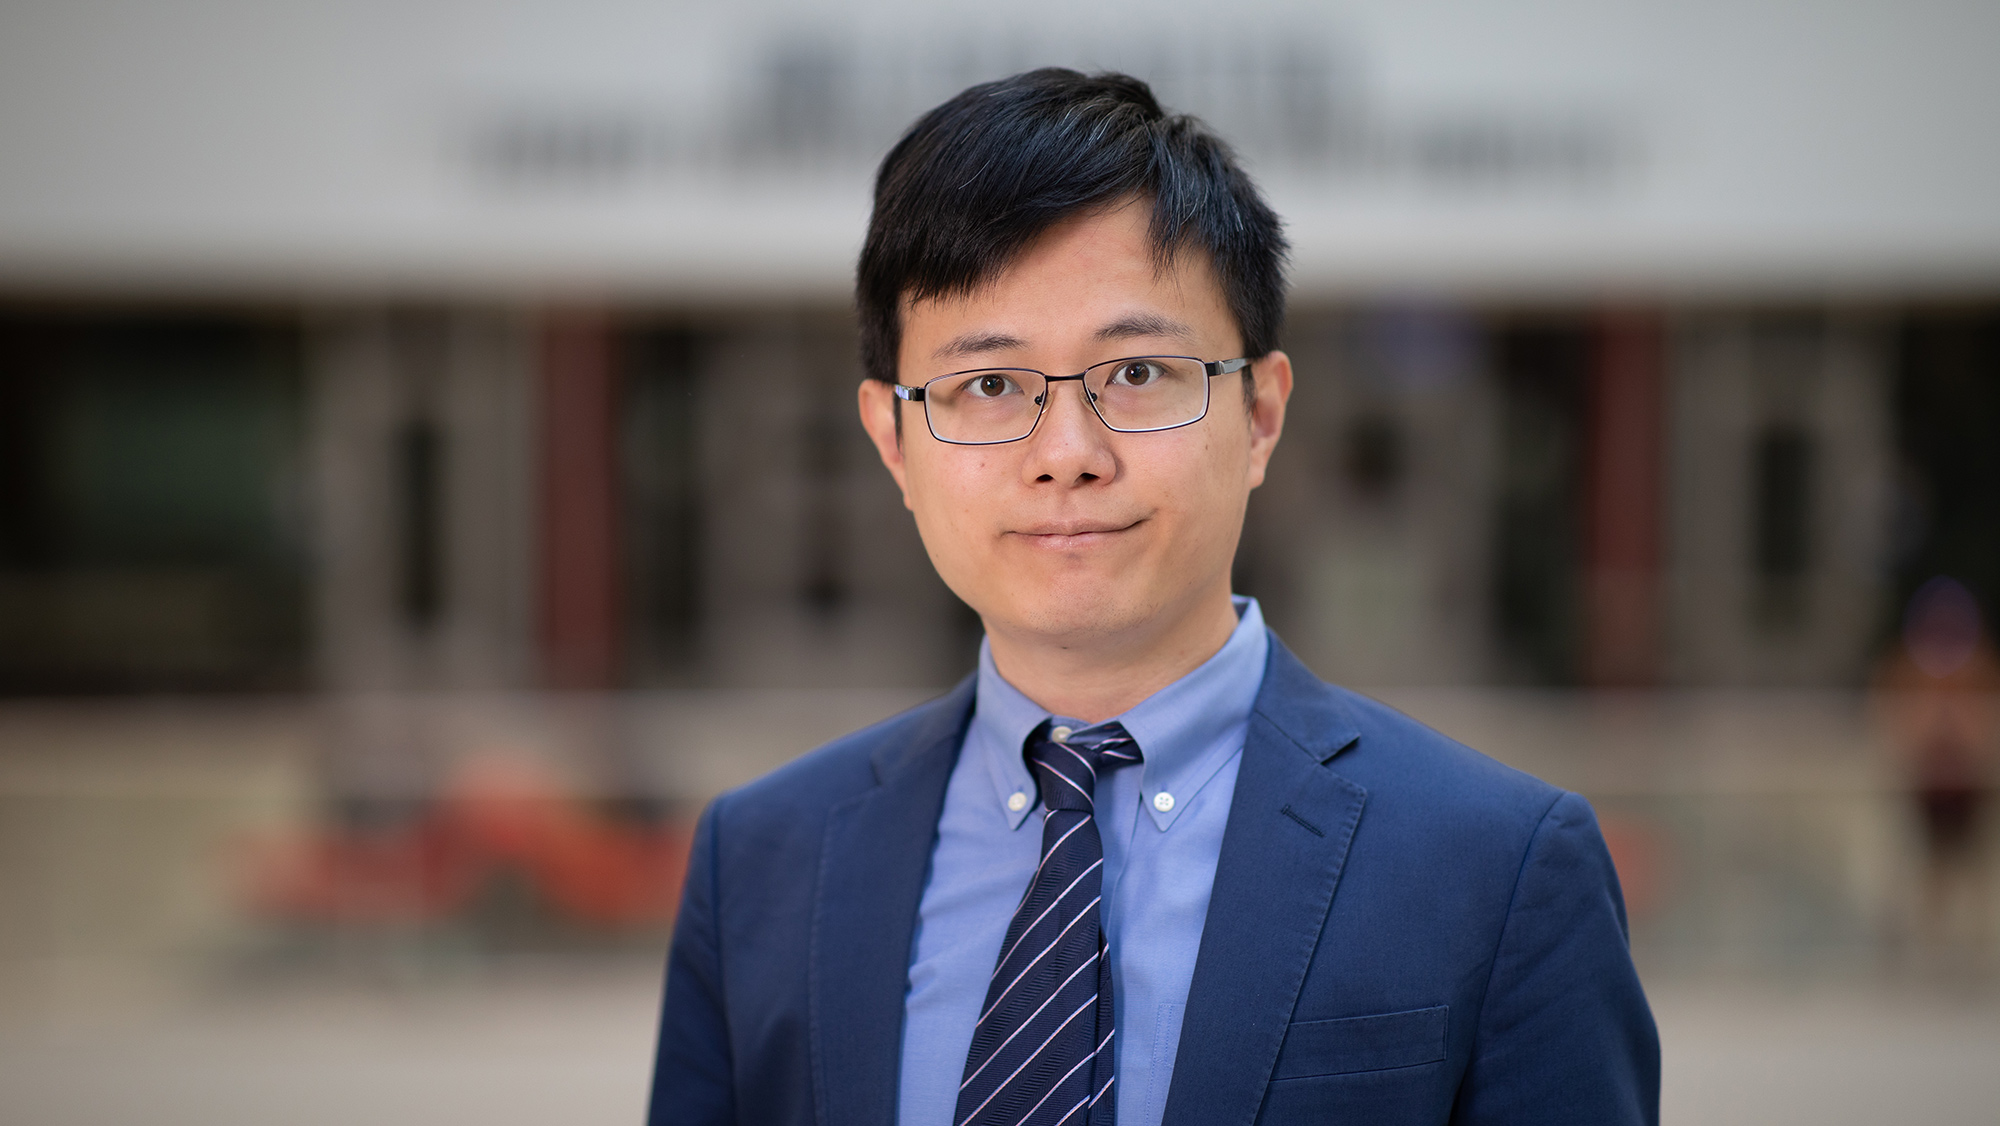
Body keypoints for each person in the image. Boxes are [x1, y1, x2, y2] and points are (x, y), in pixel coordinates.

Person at [648, 69, 1658, 1126]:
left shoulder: (1493, 869)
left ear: (1260, 414)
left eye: (1134, 374)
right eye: (987, 385)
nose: (1066, 455)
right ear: (891, 441)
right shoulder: (762, 862)